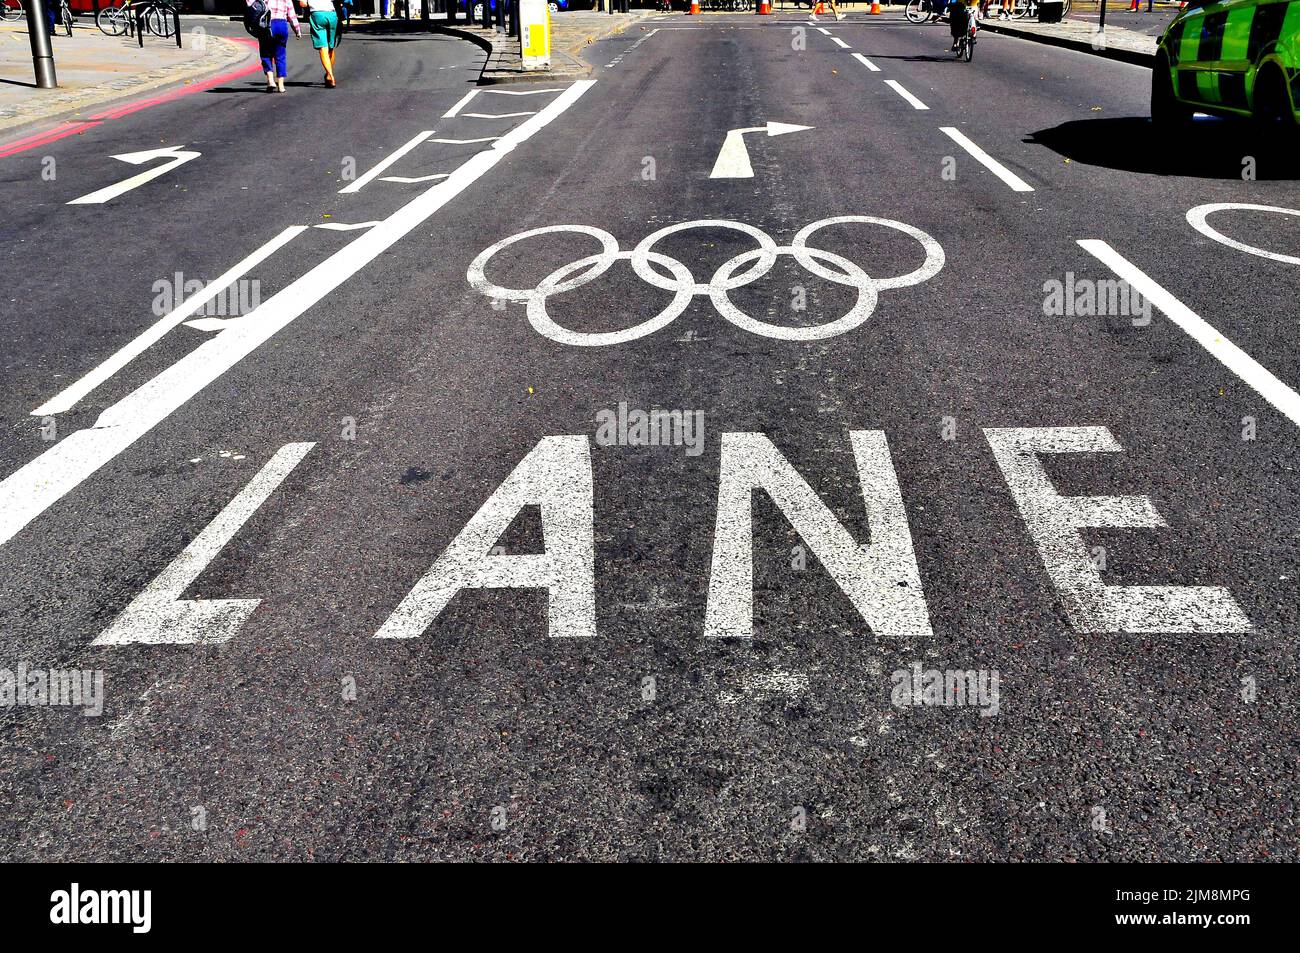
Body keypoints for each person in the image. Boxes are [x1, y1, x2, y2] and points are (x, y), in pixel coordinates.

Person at [253, 0, 301, 93]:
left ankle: (271, 80)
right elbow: (292, 16)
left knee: (265, 53)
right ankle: (281, 85)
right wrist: (297, 30)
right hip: (281, 25)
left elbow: (252, 5)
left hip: (267, 25)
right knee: (280, 55)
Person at [304, 0, 341, 86]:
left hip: (317, 15)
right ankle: (328, 74)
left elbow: (303, 3)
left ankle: (330, 75)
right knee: (331, 47)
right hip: (331, 14)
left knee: (323, 47)